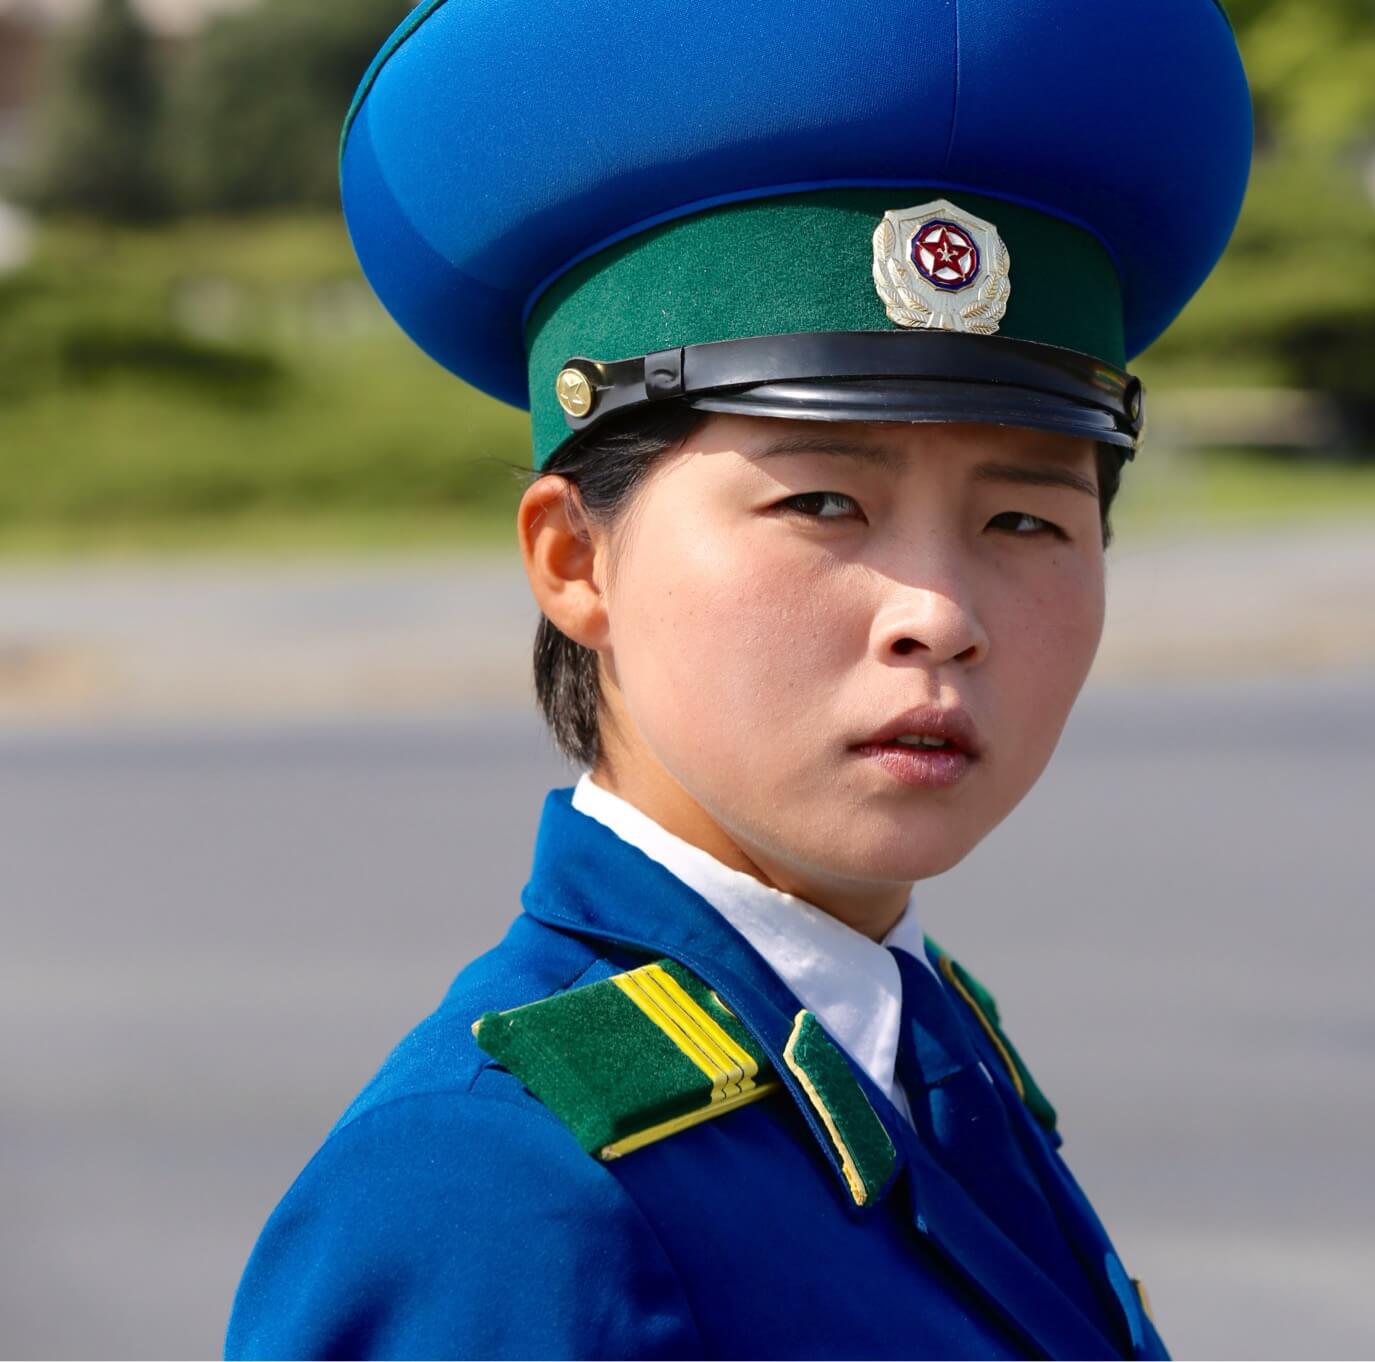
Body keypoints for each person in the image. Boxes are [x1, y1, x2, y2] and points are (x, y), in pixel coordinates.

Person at [224, 1, 1251, 1357]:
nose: (937, 615)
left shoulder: (909, 1047)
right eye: (825, 503)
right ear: (574, 556)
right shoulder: (496, 1192)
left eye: (1025, 521)